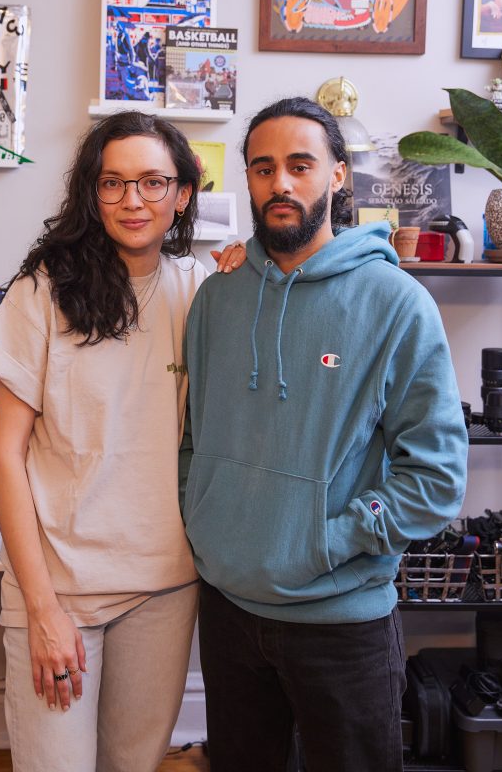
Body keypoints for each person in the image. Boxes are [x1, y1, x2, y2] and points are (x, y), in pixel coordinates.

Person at [180, 96, 469, 772]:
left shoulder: (395, 303)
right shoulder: (216, 298)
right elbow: (193, 437)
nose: (279, 183)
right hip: (226, 608)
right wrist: (203, 519)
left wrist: (325, 541)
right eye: (262, 167)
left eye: (299, 165)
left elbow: (434, 478)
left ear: (337, 175)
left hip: (341, 620)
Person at [0, 111, 244, 772]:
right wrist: (41, 610)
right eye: (113, 183)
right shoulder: (42, 292)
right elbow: (4, 454)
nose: (132, 201)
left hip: (165, 585)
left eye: (153, 183)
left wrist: (249, 277)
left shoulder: (203, 292)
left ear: (183, 194)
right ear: (90, 194)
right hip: (59, 585)